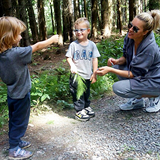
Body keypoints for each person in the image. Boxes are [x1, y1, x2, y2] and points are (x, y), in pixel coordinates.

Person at [0, 16, 59, 160]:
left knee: (14, 119)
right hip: (21, 95)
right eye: (18, 34)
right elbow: (37, 46)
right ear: (9, 36)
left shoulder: (3, 55)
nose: (20, 37)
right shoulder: (16, 54)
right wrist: (52, 39)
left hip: (12, 94)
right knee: (20, 121)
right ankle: (14, 149)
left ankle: (16, 141)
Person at [96, 10, 160, 113]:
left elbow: (134, 74)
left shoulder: (150, 49)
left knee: (118, 88)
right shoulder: (131, 37)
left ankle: (155, 95)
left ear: (145, 32)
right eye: (130, 25)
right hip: (142, 75)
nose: (130, 29)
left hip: (154, 80)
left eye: (135, 29)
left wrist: (110, 70)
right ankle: (138, 101)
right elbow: (126, 57)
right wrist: (116, 61)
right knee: (116, 68)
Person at [66, 17, 100, 121]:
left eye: (81, 30)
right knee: (78, 93)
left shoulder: (92, 45)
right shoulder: (73, 45)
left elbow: (95, 59)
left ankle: (85, 107)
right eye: (76, 30)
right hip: (77, 76)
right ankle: (79, 111)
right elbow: (68, 57)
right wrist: (72, 65)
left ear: (88, 31)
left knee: (86, 92)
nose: (78, 32)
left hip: (87, 74)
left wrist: (94, 73)